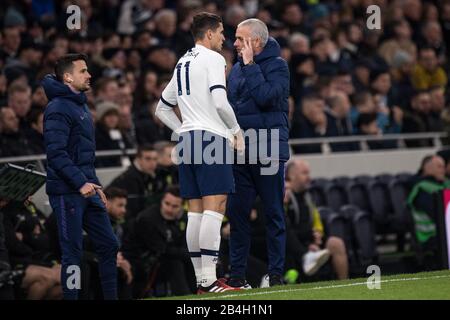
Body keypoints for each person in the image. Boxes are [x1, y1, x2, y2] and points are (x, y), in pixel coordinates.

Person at [154, 12, 244, 293]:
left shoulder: (182, 61)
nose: (223, 38)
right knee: (215, 207)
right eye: (220, 33)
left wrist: (183, 131)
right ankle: (209, 280)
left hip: (188, 142)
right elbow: (220, 102)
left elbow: (162, 108)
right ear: (208, 34)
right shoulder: (214, 59)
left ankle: (201, 282)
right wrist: (236, 131)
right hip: (211, 138)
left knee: (194, 212)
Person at [42, 53, 119, 300]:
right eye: (83, 71)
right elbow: (55, 153)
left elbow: (82, 153)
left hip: (87, 188)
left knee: (109, 244)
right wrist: (80, 182)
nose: (89, 75)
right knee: (72, 253)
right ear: (67, 77)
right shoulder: (57, 108)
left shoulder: (79, 104)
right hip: (68, 192)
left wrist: (94, 184)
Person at [225, 18, 290, 288]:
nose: (235, 43)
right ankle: (237, 276)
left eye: (241, 39)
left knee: (273, 214)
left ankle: (276, 275)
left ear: (257, 42)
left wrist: (250, 66)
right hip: (240, 152)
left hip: (267, 151)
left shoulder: (278, 66)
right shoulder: (237, 68)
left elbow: (267, 97)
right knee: (237, 216)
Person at [122, 186, 194, 297]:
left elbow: (183, 244)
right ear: (162, 201)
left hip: (163, 258)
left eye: (175, 206)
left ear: (181, 206)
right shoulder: (147, 219)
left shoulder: (184, 218)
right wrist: (190, 254)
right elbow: (162, 250)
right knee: (174, 262)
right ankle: (185, 296)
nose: (169, 209)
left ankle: (198, 292)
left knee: (192, 260)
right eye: (167, 204)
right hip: (140, 262)